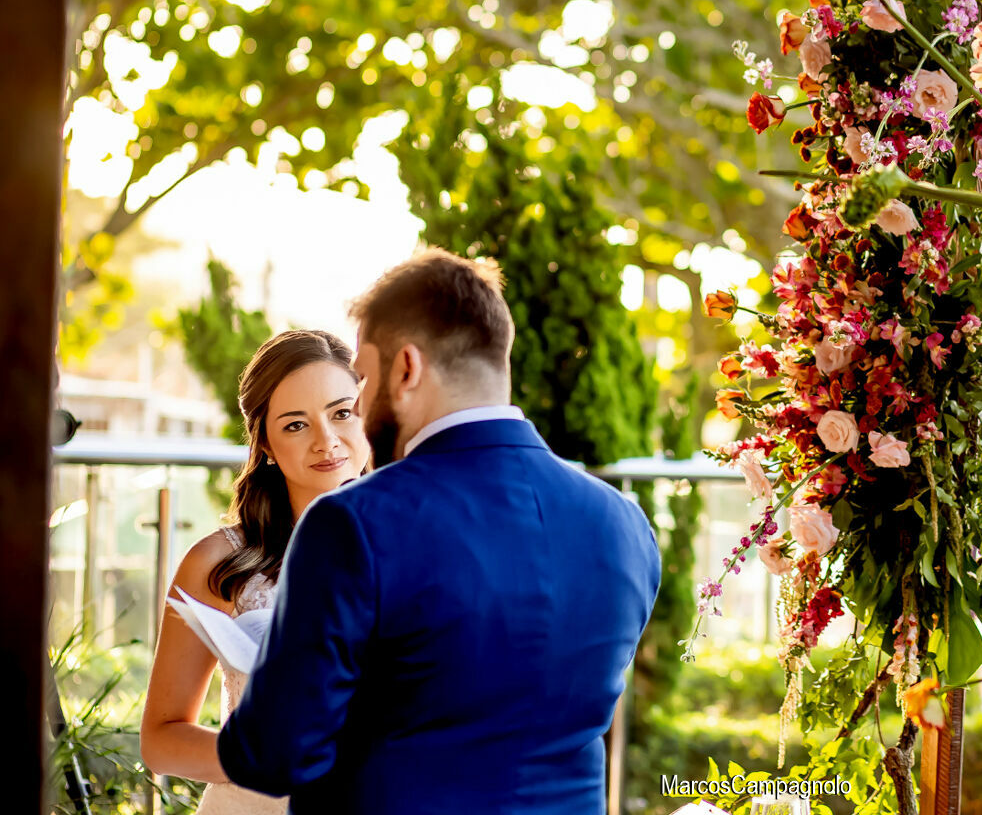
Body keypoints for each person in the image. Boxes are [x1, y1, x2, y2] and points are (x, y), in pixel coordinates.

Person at [217, 248, 661, 814]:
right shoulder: (624, 525)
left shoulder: (352, 523)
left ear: (406, 368)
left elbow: (273, 754)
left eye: (362, 377)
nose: (357, 398)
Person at [142, 330, 370, 815]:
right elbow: (160, 741)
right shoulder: (218, 564)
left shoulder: (422, 543)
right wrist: (261, 758)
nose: (326, 441)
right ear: (264, 442)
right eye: (295, 425)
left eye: (342, 412)